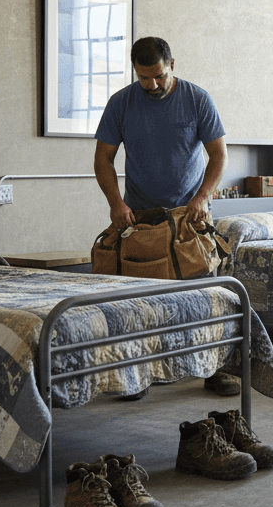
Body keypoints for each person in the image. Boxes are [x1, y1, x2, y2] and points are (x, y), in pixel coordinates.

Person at [94, 36, 239, 396]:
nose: (152, 84)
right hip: (140, 217)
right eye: (144, 78)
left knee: (204, 295)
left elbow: (219, 155)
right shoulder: (121, 104)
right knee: (140, 301)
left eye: (158, 76)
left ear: (172, 65)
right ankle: (136, 376)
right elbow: (103, 159)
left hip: (188, 215)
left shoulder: (196, 99)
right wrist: (116, 204)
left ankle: (214, 369)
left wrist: (203, 196)